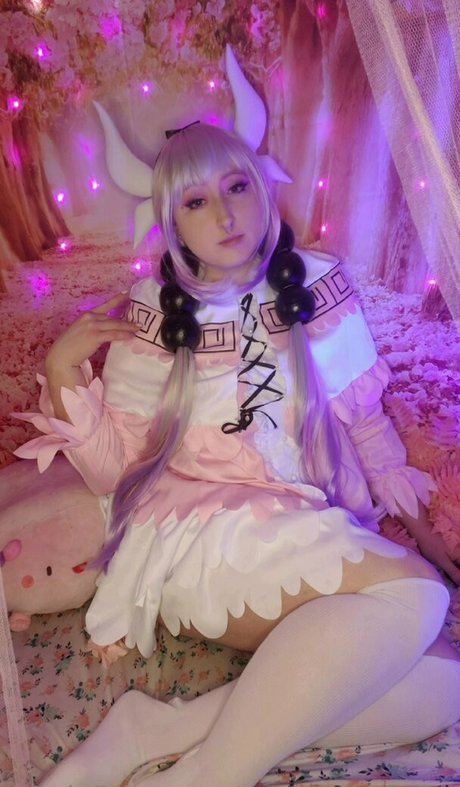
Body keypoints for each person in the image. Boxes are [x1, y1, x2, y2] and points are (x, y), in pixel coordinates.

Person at [14, 119, 458, 787]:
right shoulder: (154, 312)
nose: (224, 214)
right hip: (204, 534)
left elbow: (366, 427)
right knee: (416, 595)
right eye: (196, 201)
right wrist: (61, 369)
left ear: (261, 188)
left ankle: (157, 731)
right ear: (173, 220)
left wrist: (425, 527)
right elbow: (115, 471)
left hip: (307, 522)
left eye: (237, 187)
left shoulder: (320, 284)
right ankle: (207, 776)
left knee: (445, 686)